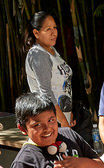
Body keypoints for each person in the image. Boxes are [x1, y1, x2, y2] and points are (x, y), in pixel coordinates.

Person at [24, 10, 91, 141]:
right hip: (49, 120)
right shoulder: (39, 54)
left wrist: (68, 113)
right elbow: (46, 93)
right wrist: (63, 122)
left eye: (55, 28)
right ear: (36, 33)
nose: (53, 32)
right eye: (48, 29)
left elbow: (61, 87)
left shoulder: (52, 50)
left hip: (59, 118)